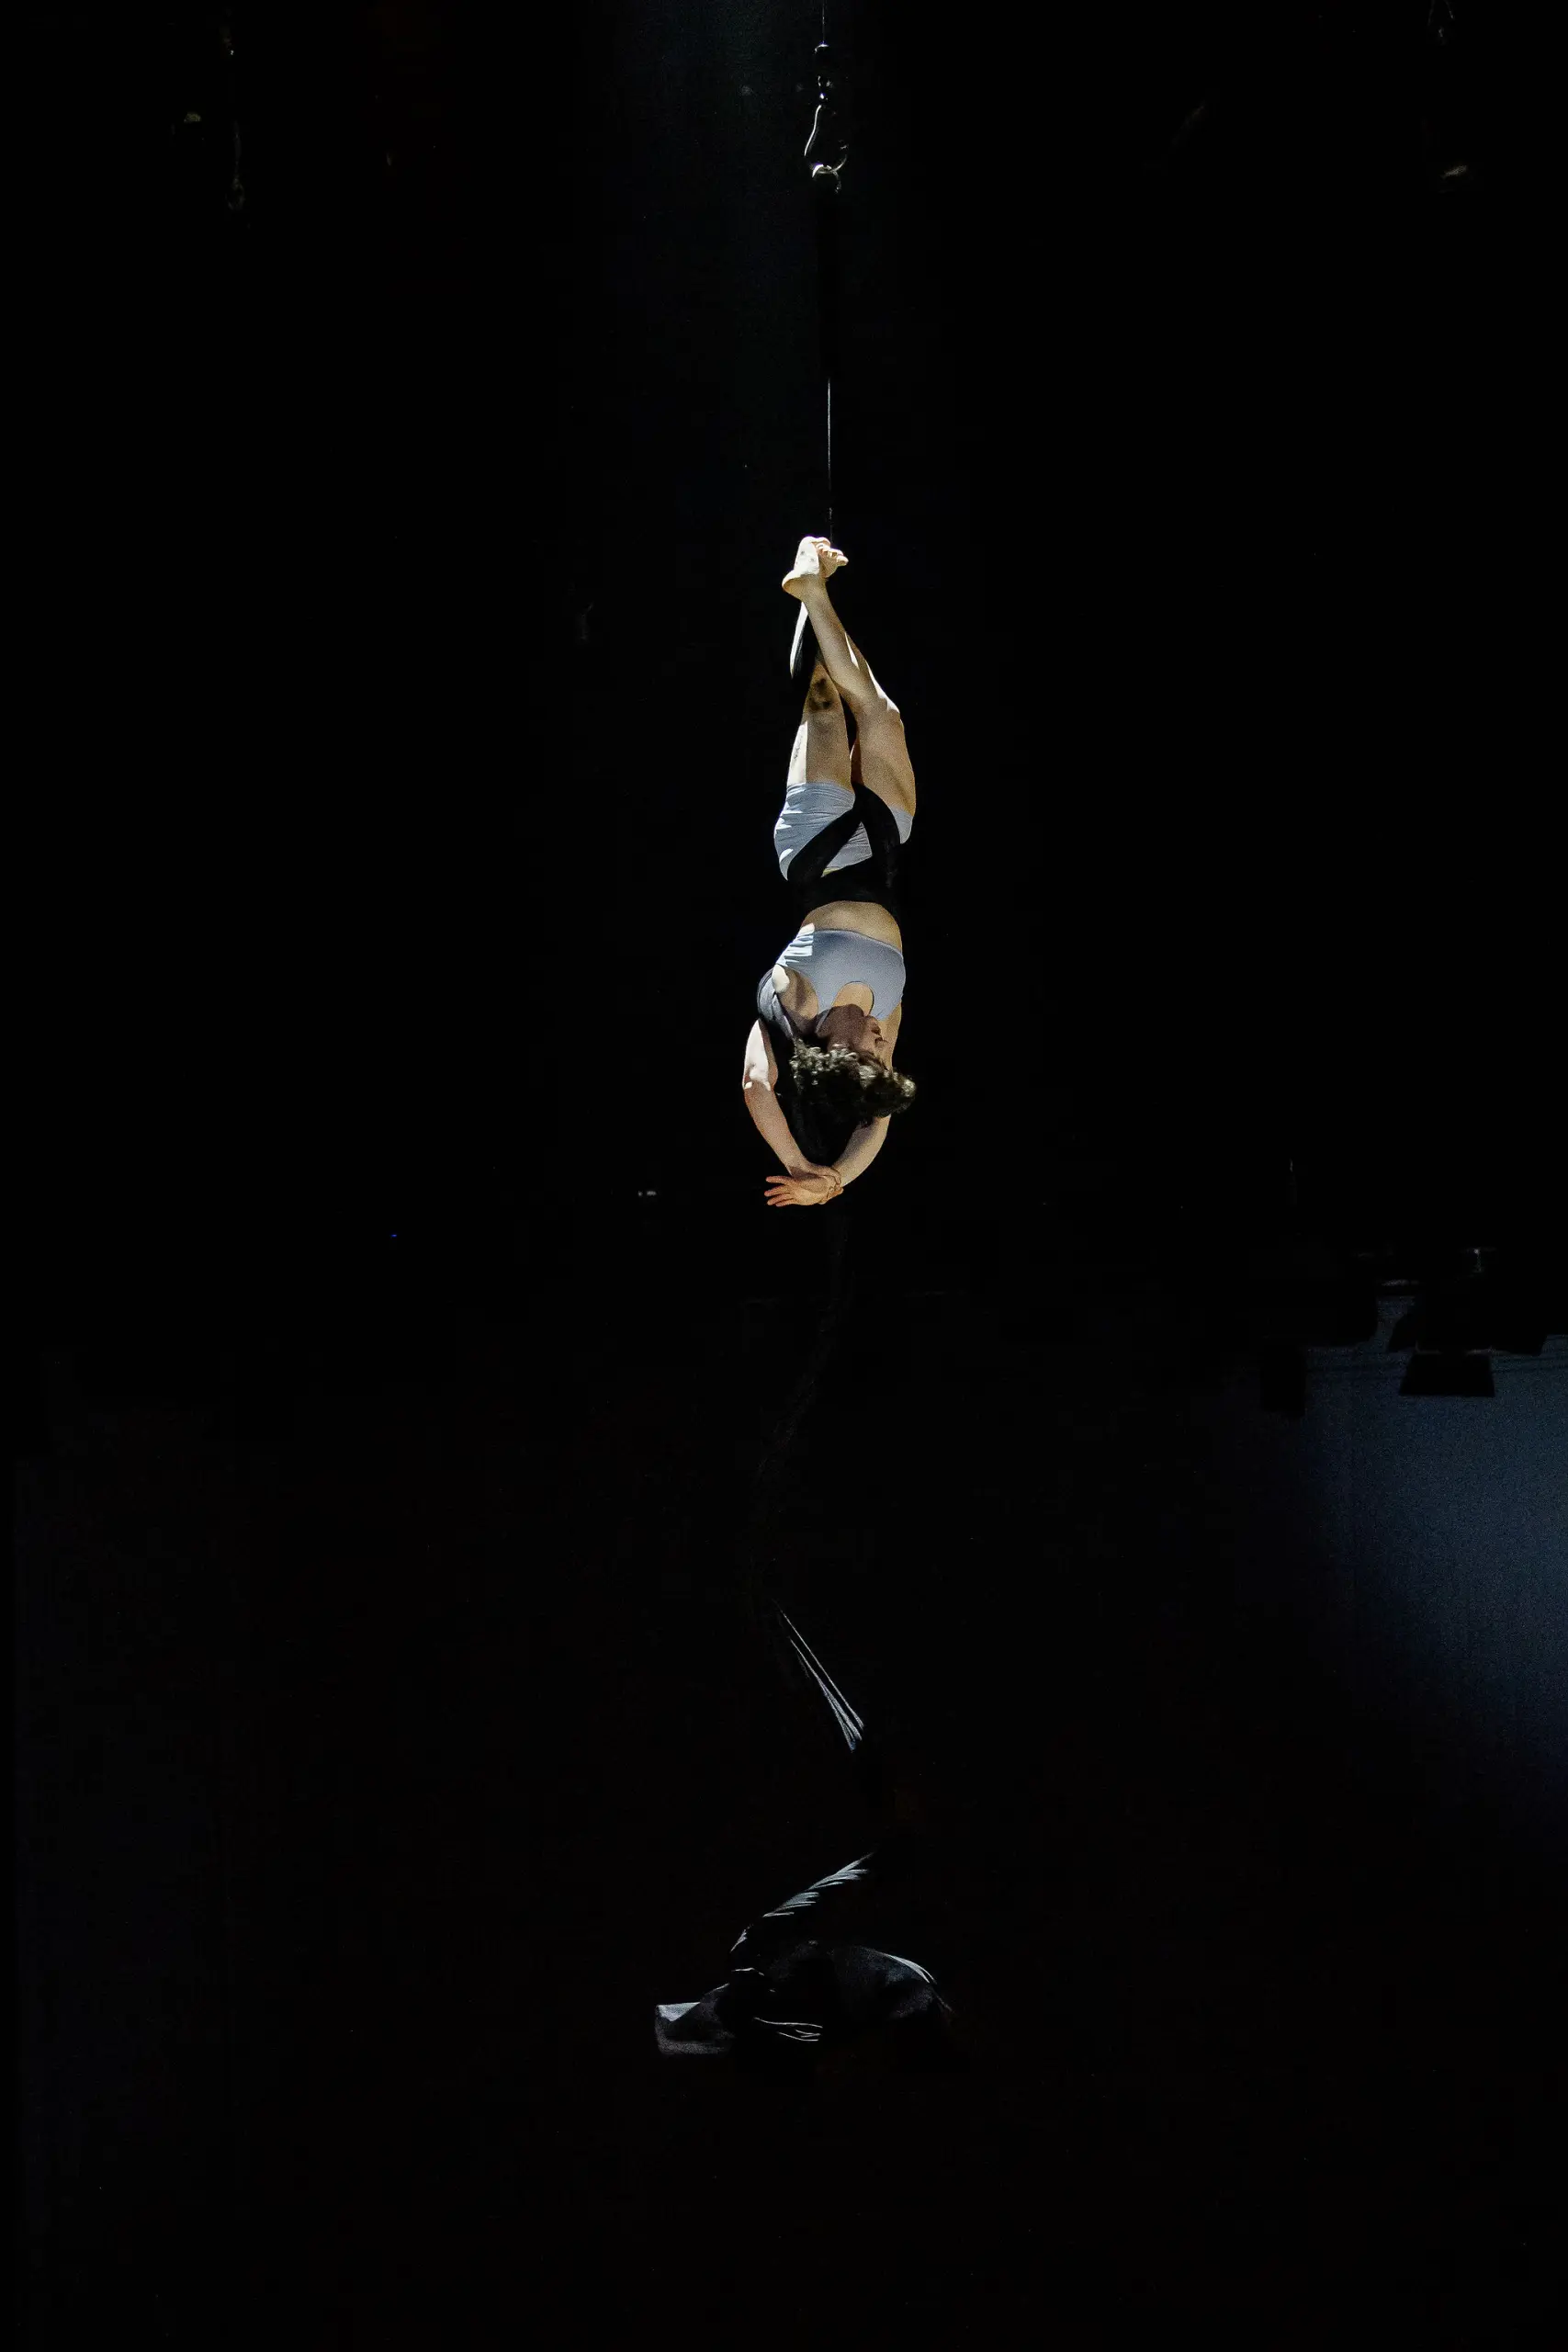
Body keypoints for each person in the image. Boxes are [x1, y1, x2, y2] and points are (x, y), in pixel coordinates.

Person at [742, 537, 919, 1207]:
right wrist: (841, 1177)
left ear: (837, 1054)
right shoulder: (879, 1027)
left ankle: (809, 585)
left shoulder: (792, 1010)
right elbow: (876, 1120)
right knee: (879, 711)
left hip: (818, 849)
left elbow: (757, 1085)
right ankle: (811, 586)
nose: (882, 1041)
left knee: (822, 702)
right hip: (882, 849)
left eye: (870, 1051)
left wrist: (799, 1167)